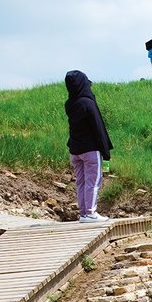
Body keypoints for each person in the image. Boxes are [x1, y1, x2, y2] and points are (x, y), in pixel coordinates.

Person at [64, 70, 113, 222]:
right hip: (90, 150)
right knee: (93, 182)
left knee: (81, 182)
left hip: (75, 150)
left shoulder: (69, 104)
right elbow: (98, 128)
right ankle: (91, 213)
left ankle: (84, 213)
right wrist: (106, 152)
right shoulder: (88, 103)